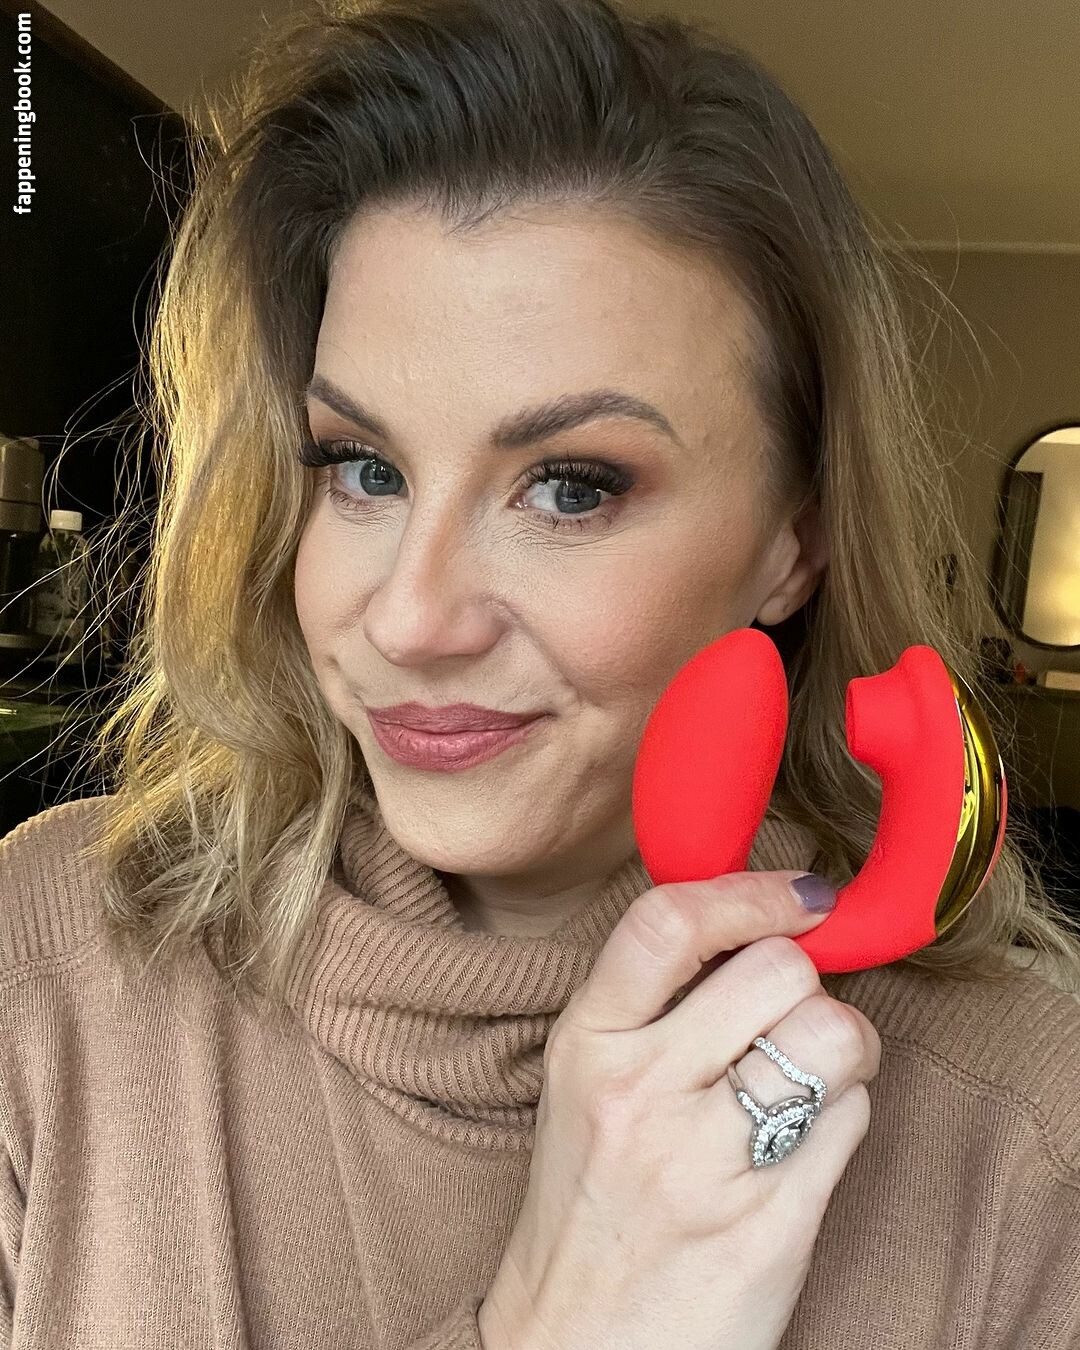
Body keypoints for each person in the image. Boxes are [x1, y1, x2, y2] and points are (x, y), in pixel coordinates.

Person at [2, 1, 1079, 1346]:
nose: (412, 617)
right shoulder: (42, 965)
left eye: (571, 486)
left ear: (793, 545)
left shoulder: (1028, 1131)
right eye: (362, 467)